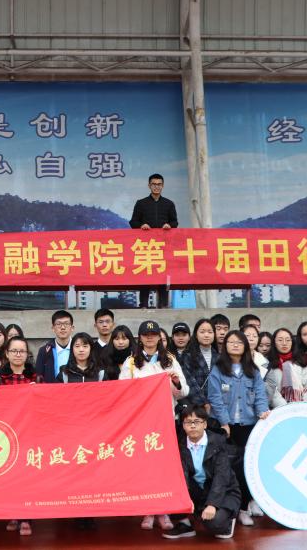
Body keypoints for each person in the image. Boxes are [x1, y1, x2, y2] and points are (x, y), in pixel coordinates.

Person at [119, 321, 188, 531]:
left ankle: (163, 511)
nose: (150, 338)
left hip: (165, 421)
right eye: (146, 335)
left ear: (159, 337)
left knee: (164, 467)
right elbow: (122, 392)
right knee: (145, 467)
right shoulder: (131, 362)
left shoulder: (170, 360)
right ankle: (148, 510)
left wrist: (175, 383)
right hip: (142, 422)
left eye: (153, 334)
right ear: (140, 338)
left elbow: (184, 391)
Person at [206, 330, 270, 528]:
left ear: (245, 346)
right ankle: (226, 510)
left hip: (248, 425)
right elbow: (215, 397)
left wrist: (263, 412)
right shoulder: (218, 370)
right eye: (231, 342)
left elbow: (260, 395)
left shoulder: (253, 370)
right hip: (224, 427)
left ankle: (243, 508)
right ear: (225, 346)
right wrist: (224, 422)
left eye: (239, 342)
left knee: (246, 468)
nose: (235, 345)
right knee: (225, 469)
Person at [162, 405, 240, 541]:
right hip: (198, 490)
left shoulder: (218, 442)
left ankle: (227, 521)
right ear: (183, 425)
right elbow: (181, 476)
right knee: (170, 488)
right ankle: (185, 524)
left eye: (197, 421)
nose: (192, 426)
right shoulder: (179, 444)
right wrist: (181, 500)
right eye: (188, 422)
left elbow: (221, 477)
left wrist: (212, 504)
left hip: (224, 491)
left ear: (204, 424)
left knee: (214, 523)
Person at [0, 336, 39, 536]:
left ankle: (26, 517)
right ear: (7, 354)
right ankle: (12, 513)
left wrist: (37, 393)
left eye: (22, 351)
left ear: (27, 354)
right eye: (14, 351)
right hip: (6, 434)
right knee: (10, 476)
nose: (18, 355)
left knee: (27, 477)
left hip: (30, 433)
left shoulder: (36, 378)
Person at [129, 173, 178, 308]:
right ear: (149, 186)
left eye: (159, 184)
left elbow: (174, 222)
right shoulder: (141, 203)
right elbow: (133, 222)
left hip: (163, 246)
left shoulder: (169, 204)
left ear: (163, 186)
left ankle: (163, 304)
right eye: (154, 184)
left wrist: (169, 226)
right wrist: (141, 226)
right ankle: (143, 304)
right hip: (146, 246)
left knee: (163, 274)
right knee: (145, 274)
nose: (156, 187)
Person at [265, 327, 307, 408]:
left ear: (292, 342)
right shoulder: (268, 365)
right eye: (280, 340)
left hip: (302, 407)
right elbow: (272, 391)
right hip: (279, 409)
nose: (284, 343)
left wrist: (304, 404)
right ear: (274, 343)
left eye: (288, 340)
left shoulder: (300, 362)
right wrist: (286, 407)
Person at [178, 319, 215, 412]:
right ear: (196, 334)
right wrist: (204, 403)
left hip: (216, 406)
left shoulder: (219, 356)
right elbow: (189, 382)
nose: (206, 335)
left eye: (210, 332)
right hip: (195, 406)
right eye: (202, 332)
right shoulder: (187, 355)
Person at [34, 310, 74, 384]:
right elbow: (39, 377)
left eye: (66, 324)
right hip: (51, 390)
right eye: (58, 324)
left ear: (72, 328)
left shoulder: (79, 349)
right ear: (53, 328)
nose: (63, 327)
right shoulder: (44, 351)